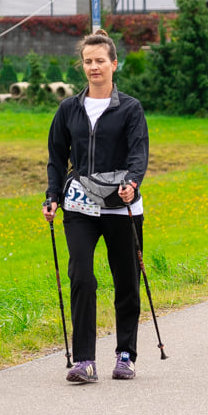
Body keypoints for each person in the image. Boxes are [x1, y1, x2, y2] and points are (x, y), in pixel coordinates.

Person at [44, 29, 149, 383]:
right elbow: (57, 158)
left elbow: (139, 154)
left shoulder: (130, 108)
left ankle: (125, 354)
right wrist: (52, 196)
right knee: (82, 278)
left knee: (127, 281)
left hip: (121, 206)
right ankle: (85, 360)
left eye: (100, 61)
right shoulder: (69, 109)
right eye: (88, 62)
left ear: (114, 64)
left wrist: (131, 183)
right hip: (80, 207)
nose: (93, 67)